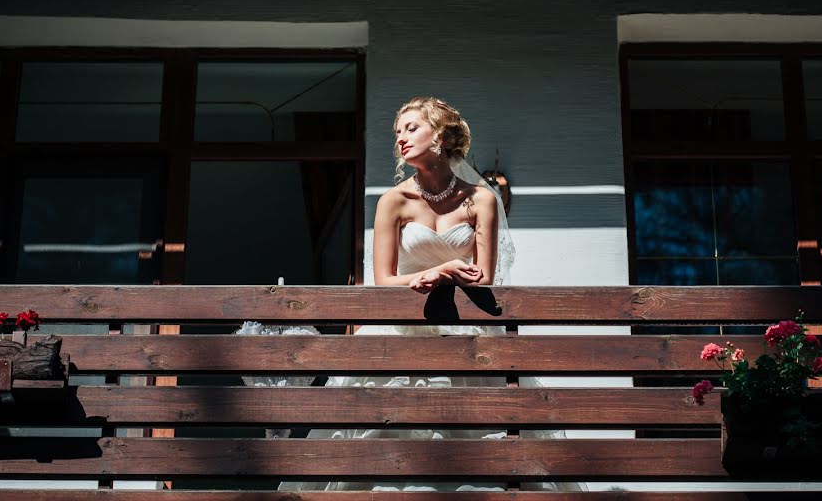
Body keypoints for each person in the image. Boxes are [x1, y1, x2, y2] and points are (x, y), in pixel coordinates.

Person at [239, 97, 585, 492]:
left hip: (463, 336)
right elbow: (383, 280)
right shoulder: (393, 202)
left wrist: (452, 276)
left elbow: (485, 275)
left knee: (476, 446)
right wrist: (437, 271)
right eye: (397, 131)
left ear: (439, 135)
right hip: (400, 332)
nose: (401, 138)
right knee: (380, 440)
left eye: (411, 128)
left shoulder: (481, 199)